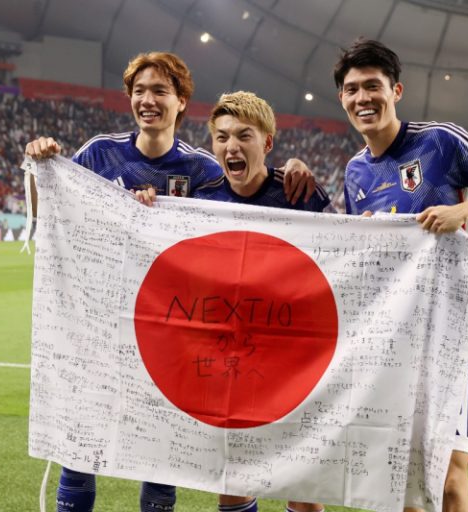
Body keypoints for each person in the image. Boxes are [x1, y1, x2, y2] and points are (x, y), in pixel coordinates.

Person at [25, 51, 320, 512]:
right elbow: (54, 212)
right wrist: (42, 165)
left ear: (181, 102)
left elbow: (246, 195)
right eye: (139, 91)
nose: (148, 100)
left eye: (160, 91)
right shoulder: (98, 152)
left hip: (168, 325)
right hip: (101, 317)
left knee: (161, 448)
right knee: (80, 442)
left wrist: (292, 165)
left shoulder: (203, 168)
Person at [333, 39, 468, 512]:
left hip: (448, 332)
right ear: (342, 100)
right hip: (391, 339)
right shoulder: (354, 172)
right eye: (351, 90)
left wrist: (463, 209)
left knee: (449, 478)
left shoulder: (440, 141)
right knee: (405, 481)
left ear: (396, 90)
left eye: (373, 86)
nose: (363, 97)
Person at [142, 91, 334, 512]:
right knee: (234, 478)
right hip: (232, 360)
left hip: (293, 361)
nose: (231, 146)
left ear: (266, 143)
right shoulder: (202, 200)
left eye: (244, 136)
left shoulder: (299, 194)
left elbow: (338, 269)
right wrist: (142, 212)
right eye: (222, 137)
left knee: (301, 486)